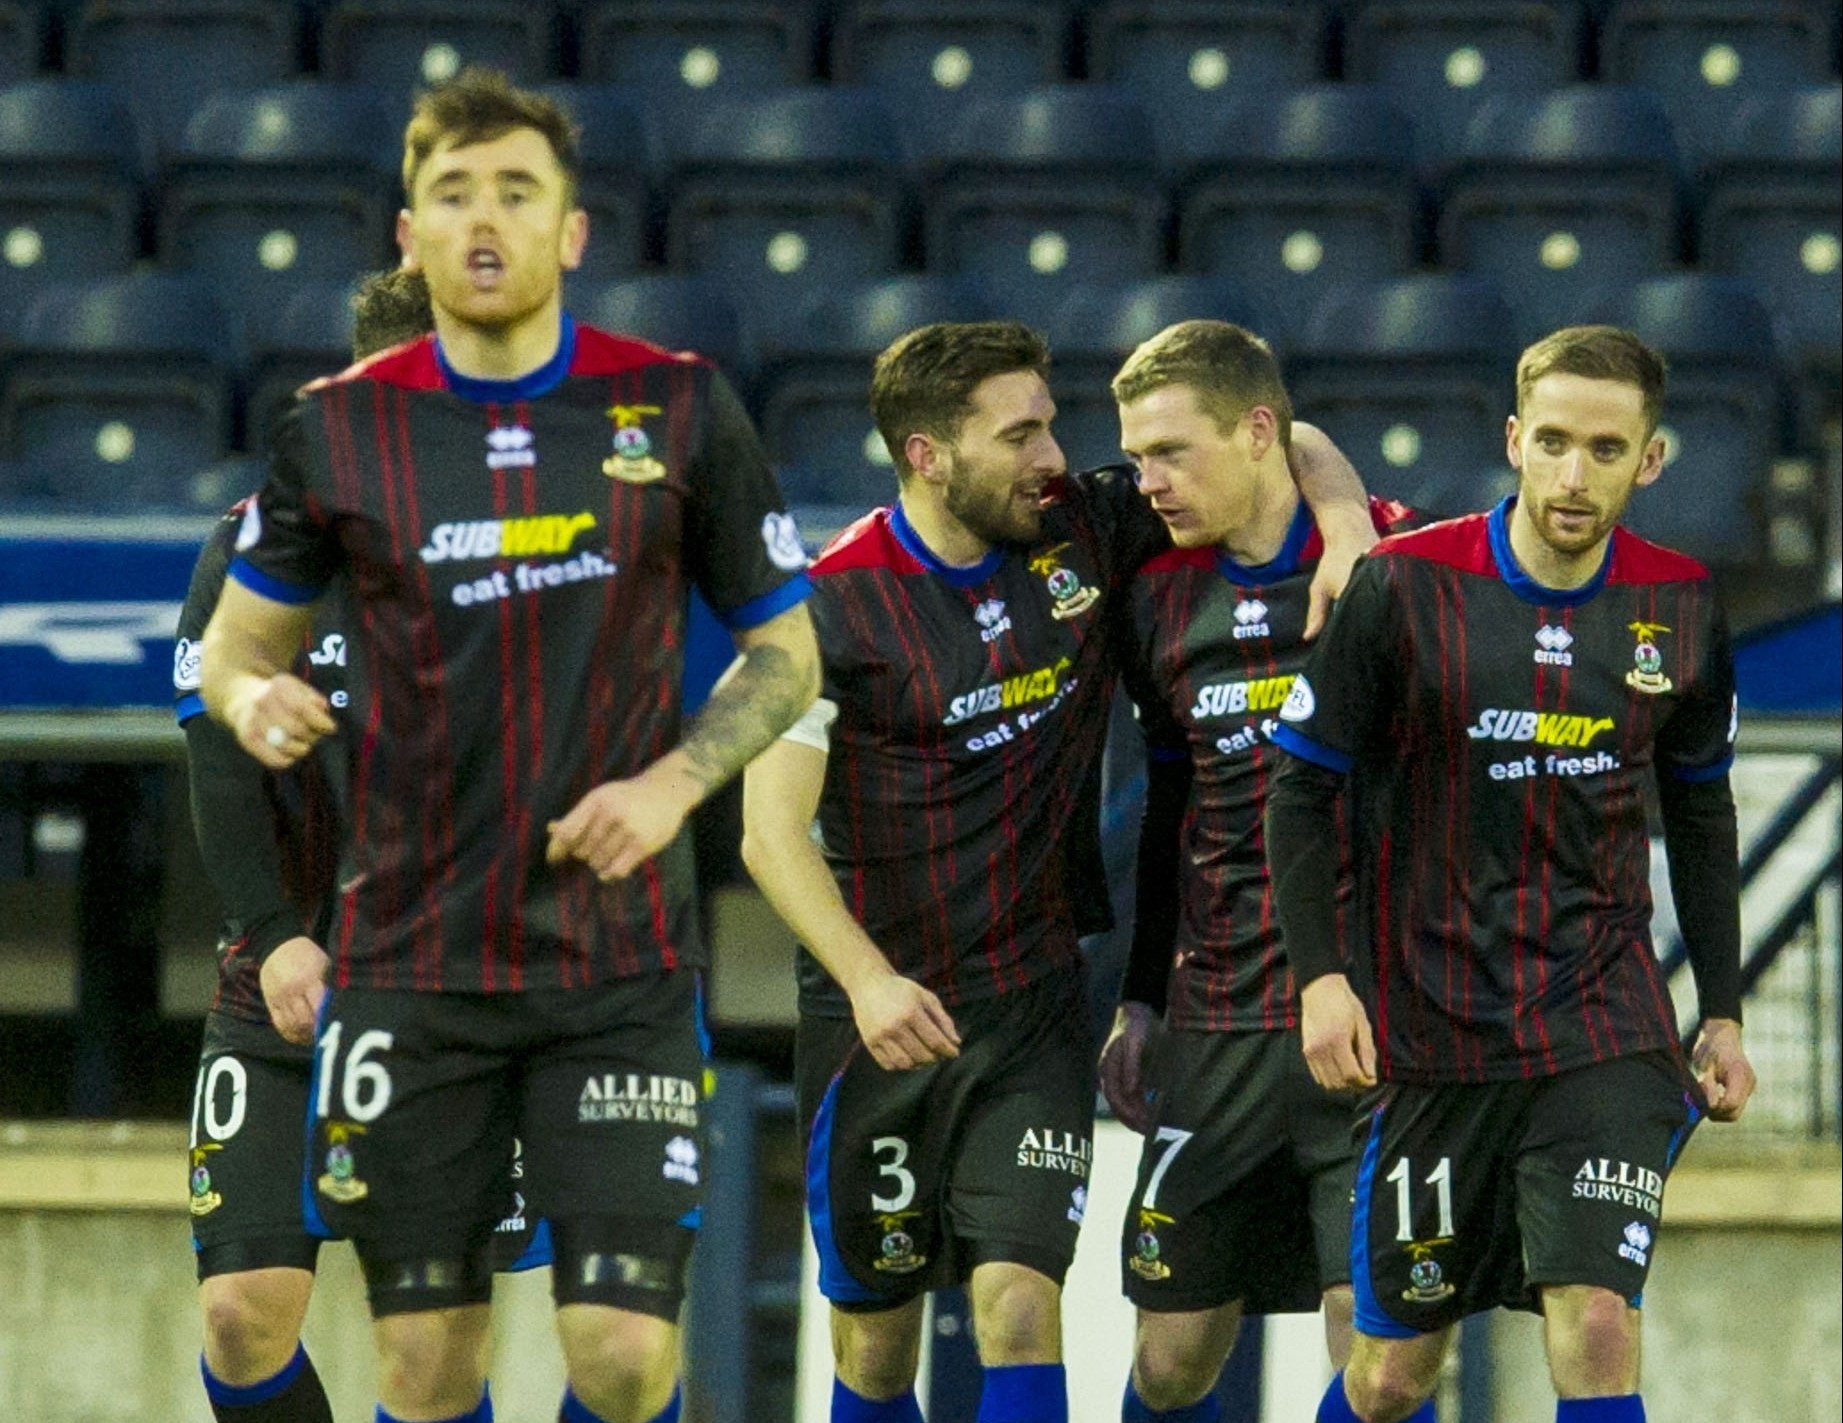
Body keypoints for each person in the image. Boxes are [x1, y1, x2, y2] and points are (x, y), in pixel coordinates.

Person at [198, 68, 820, 1423]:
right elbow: (233, 649)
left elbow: (787, 656)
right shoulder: (335, 427)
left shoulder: (676, 408)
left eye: (517, 192)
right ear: (409, 232)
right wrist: (253, 700)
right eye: (453, 194)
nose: (486, 221)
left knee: (619, 1350)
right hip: (411, 970)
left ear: (571, 230)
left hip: (616, 962)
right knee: (424, 1364)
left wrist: (671, 781)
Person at [740, 320, 1377, 1423]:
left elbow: (1275, 432)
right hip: (877, 1017)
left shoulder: (1080, 530)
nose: (1053, 456)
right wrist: (866, 980)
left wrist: (1348, 519)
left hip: (1032, 1009)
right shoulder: (829, 603)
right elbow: (767, 833)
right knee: (876, 1348)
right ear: (930, 455)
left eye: (1049, 425)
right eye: (1020, 433)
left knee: (1020, 1307)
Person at [1266, 325, 1757, 1423]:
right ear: (1512, 442)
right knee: (1395, 1374)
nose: (1574, 475)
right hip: (1430, 1027)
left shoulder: (1679, 603)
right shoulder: (1400, 586)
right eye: (1552, 442)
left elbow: (1702, 808)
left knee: (1593, 1321)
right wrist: (1320, 978)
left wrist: (1718, 1010)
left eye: (1604, 448)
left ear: (1650, 459)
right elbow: (1299, 790)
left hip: (1601, 1021)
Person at [178, 262, 499, 1423]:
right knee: (239, 1315)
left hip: (463, 995)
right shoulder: (261, 545)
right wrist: (273, 936)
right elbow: (217, 747)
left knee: (430, 1354)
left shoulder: (539, 548)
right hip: (288, 981)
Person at [1094, 321, 1428, 1423]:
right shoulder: (1150, 592)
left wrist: (1339, 513)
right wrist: (1142, 996)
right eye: (1135, 455)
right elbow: (1164, 806)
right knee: (1171, 1359)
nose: (1149, 481)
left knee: (1378, 1357)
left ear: (1254, 435)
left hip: (1372, 1011)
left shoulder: (1388, 561)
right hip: (1217, 1014)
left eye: (1171, 454)